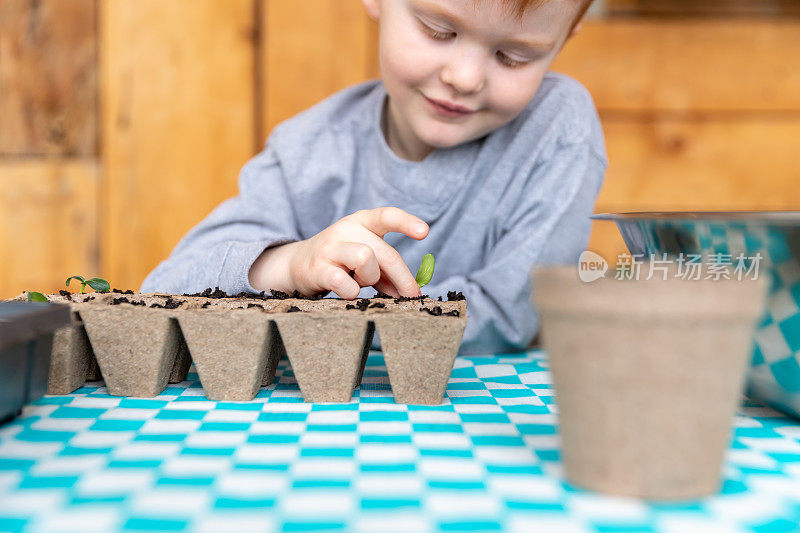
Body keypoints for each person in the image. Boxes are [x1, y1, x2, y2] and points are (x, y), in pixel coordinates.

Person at [141, 0, 607, 355]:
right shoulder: (308, 149)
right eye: (438, 30)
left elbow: (513, 314)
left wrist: (333, 319)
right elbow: (162, 289)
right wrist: (287, 266)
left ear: (564, 39)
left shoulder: (555, 129)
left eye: (514, 56)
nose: (465, 78)